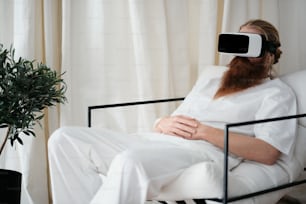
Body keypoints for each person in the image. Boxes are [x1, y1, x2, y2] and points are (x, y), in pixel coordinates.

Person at [48, 19, 297, 204]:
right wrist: (160, 122)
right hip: (157, 140)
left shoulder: (276, 93)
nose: (240, 51)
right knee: (64, 139)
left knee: (129, 162)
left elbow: (268, 153)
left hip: (200, 152)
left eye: (248, 43)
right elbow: (179, 116)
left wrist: (205, 132)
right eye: (238, 41)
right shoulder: (213, 79)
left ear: (268, 53)